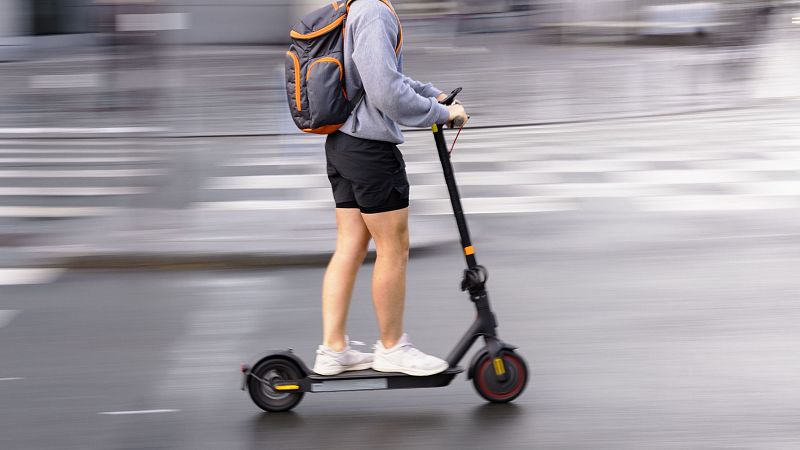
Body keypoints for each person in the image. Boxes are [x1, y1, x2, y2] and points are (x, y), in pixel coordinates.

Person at [312, 0, 469, 377]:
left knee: (350, 245)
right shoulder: (374, 11)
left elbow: (381, 77)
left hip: (343, 143)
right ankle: (392, 347)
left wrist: (431, 93)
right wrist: (441, 113)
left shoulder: (353, 7)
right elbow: (385, 92)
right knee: (393, 247)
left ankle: (333, 350)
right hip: (369, 148)